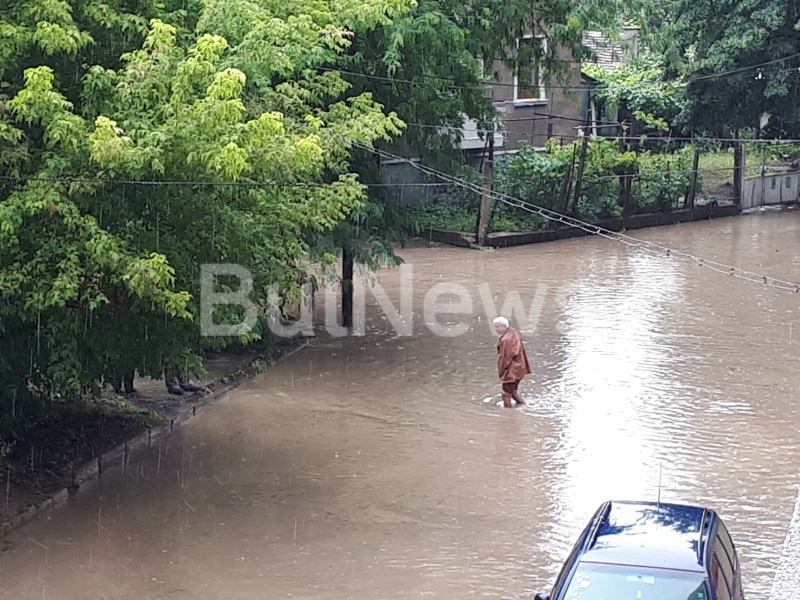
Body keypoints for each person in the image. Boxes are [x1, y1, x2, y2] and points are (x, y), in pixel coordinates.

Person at [493, 316, 531, 408]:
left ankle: (508, 414)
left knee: (506, 394)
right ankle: (523, 406)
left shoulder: (506, 340)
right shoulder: (513, 332)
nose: (495, 329)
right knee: (513, 391)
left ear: (503, 326)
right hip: (521, 367)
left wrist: (502, 373)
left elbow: (505, 358)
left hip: (512, 370)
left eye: (497, 326)